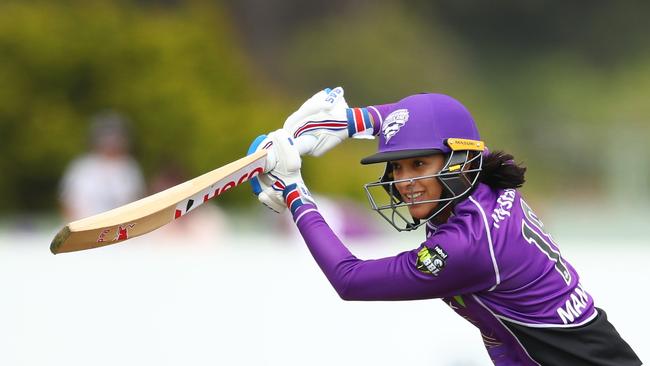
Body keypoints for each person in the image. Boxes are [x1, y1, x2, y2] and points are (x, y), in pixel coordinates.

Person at [248, 88, 642, 365]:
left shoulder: (466, 248)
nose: (405, 182)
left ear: (455, 161)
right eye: (398, 167)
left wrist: (296, 194)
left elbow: (350, 280)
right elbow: (426, 118)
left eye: (419, 165)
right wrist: (349, 122)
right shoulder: (478, 172)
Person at [60, 111, 145, 221]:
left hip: (120, 229)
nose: (111, 142)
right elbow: (66, 201)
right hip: (83, 229)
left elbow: (138, 201)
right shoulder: (81, 166)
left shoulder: (130, 167)